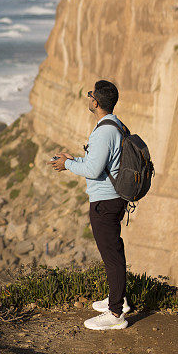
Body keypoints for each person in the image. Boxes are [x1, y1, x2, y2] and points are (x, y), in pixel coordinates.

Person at [49, 79, 130, 331]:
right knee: (113, 252)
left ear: (95, 102)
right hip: (112, 198)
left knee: (112, 257)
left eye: (90, 96)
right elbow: (101, 162)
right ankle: (119, 300)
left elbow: (94, 170)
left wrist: (68, 165)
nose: (89, 99)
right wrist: (75, 159)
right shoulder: (114, 124)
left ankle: (116, 314)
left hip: (105, 202)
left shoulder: (105, 131)